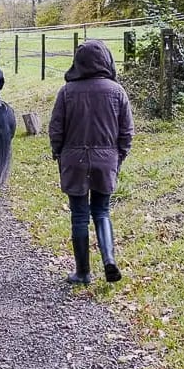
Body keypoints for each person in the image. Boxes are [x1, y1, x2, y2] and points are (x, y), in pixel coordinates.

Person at [48, 40, 134, 285]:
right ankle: (109, 260)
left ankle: (83, 272)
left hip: (74, 159)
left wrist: (59, 154)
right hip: (106, 159)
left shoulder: (66, 92)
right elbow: (126, 132)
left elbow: (56, 129)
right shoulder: (117, 91)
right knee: (102, 211)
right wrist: (118, 158)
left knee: (79, 216)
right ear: (106, 60)